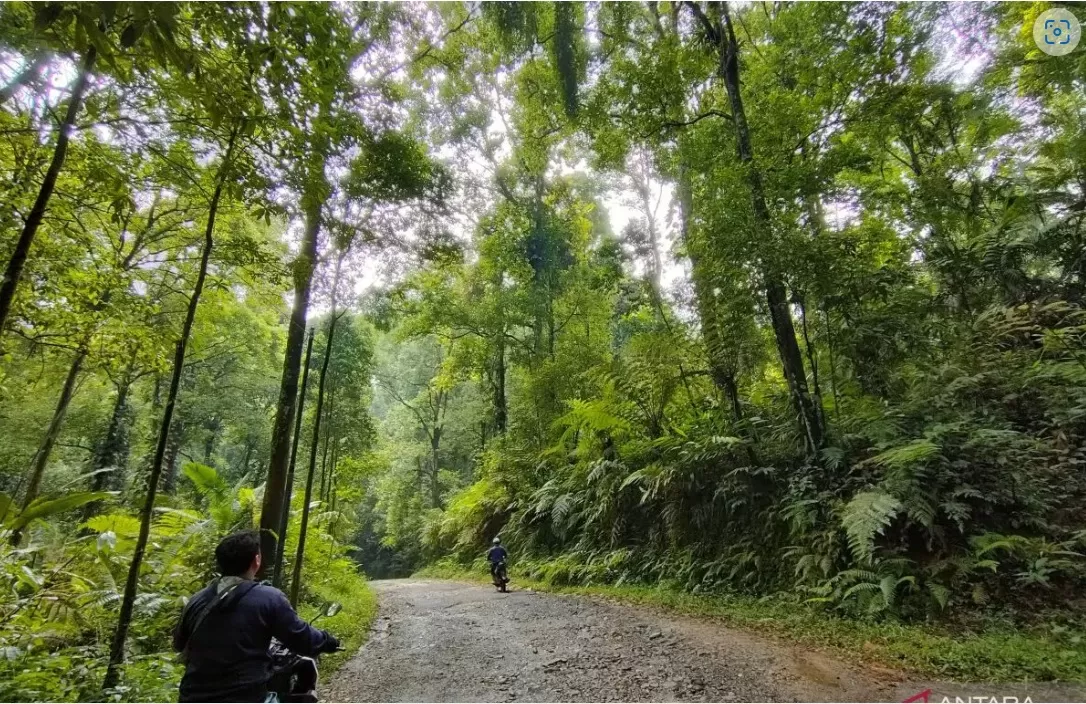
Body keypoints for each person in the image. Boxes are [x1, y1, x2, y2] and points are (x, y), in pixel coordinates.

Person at [172, 530, 340, 703]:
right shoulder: (269, 597)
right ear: (257, 560)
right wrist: (327, 640)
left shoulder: (196, 600)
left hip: (191, 698)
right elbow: (302, 638)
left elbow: (178, 644)